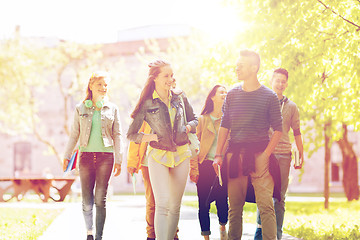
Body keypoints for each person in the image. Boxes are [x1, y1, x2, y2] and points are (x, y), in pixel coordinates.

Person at [212, 50, 283, 240]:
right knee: (234, 208)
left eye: (241, 65)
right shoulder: (232, 94)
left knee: (266, 207)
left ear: (254, 67)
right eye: (237, 64)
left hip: (260, 154)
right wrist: (218, 155)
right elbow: (225, 126)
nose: (237, 68)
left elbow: (278, 130)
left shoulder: (269, 96)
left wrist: (265, 156)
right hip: (234, 156)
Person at [127, 59, 198, 240]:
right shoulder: (148, 103)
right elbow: (131, 134)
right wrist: (151, 137)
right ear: (155, 79)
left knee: (175, 206)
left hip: (181, 154)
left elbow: (194, 120)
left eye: (172, 75)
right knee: (162, 204)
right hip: (157, 155)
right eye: (166, 76)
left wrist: (188, 128)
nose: (170, 79)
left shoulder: (180, 97)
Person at [63, 71, 122, 240]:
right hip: (86, 157)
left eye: (105, 85)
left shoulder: (113, 108)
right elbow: (74, 134)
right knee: (87, 200)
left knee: (100, 200)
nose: (104, 88)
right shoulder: (81, 108)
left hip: (106, 157)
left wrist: (119, 159)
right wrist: (67, 155)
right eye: (100, 85)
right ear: (91, 86)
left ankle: (99, 236)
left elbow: (118, 134)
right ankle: (89, 231)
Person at [254, 68, 304, 240]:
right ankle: (260, 234)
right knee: (263, 195)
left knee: (279, 199)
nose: (280, 84)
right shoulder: (263, 102)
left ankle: (277, 235)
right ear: (271, 81)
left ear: (286, 83)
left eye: (283, 81)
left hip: (283, 155)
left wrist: (300, 155)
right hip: (264, 155)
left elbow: (297, 133)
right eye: (277, 80)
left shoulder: (292, 107)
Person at [127, 120, 180, 240]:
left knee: (172, 201)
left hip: (170, 160)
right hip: (148, 162)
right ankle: (151, 235)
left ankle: (173, 234)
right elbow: (135, 136)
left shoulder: (172, 104)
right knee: (152, 201)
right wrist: (132, 162)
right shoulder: (144, 109)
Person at [190, 85, 229, 240]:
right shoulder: (202, 120)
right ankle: (206, 236)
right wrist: (194, 169)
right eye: (221, 92)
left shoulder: (228, 120)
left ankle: (222, 226)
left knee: (222, 200)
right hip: (204, 165)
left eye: (226, 92)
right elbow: (193, 147)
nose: (224, 94)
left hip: (222, 166)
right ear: (212, 96)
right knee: (204, 203)